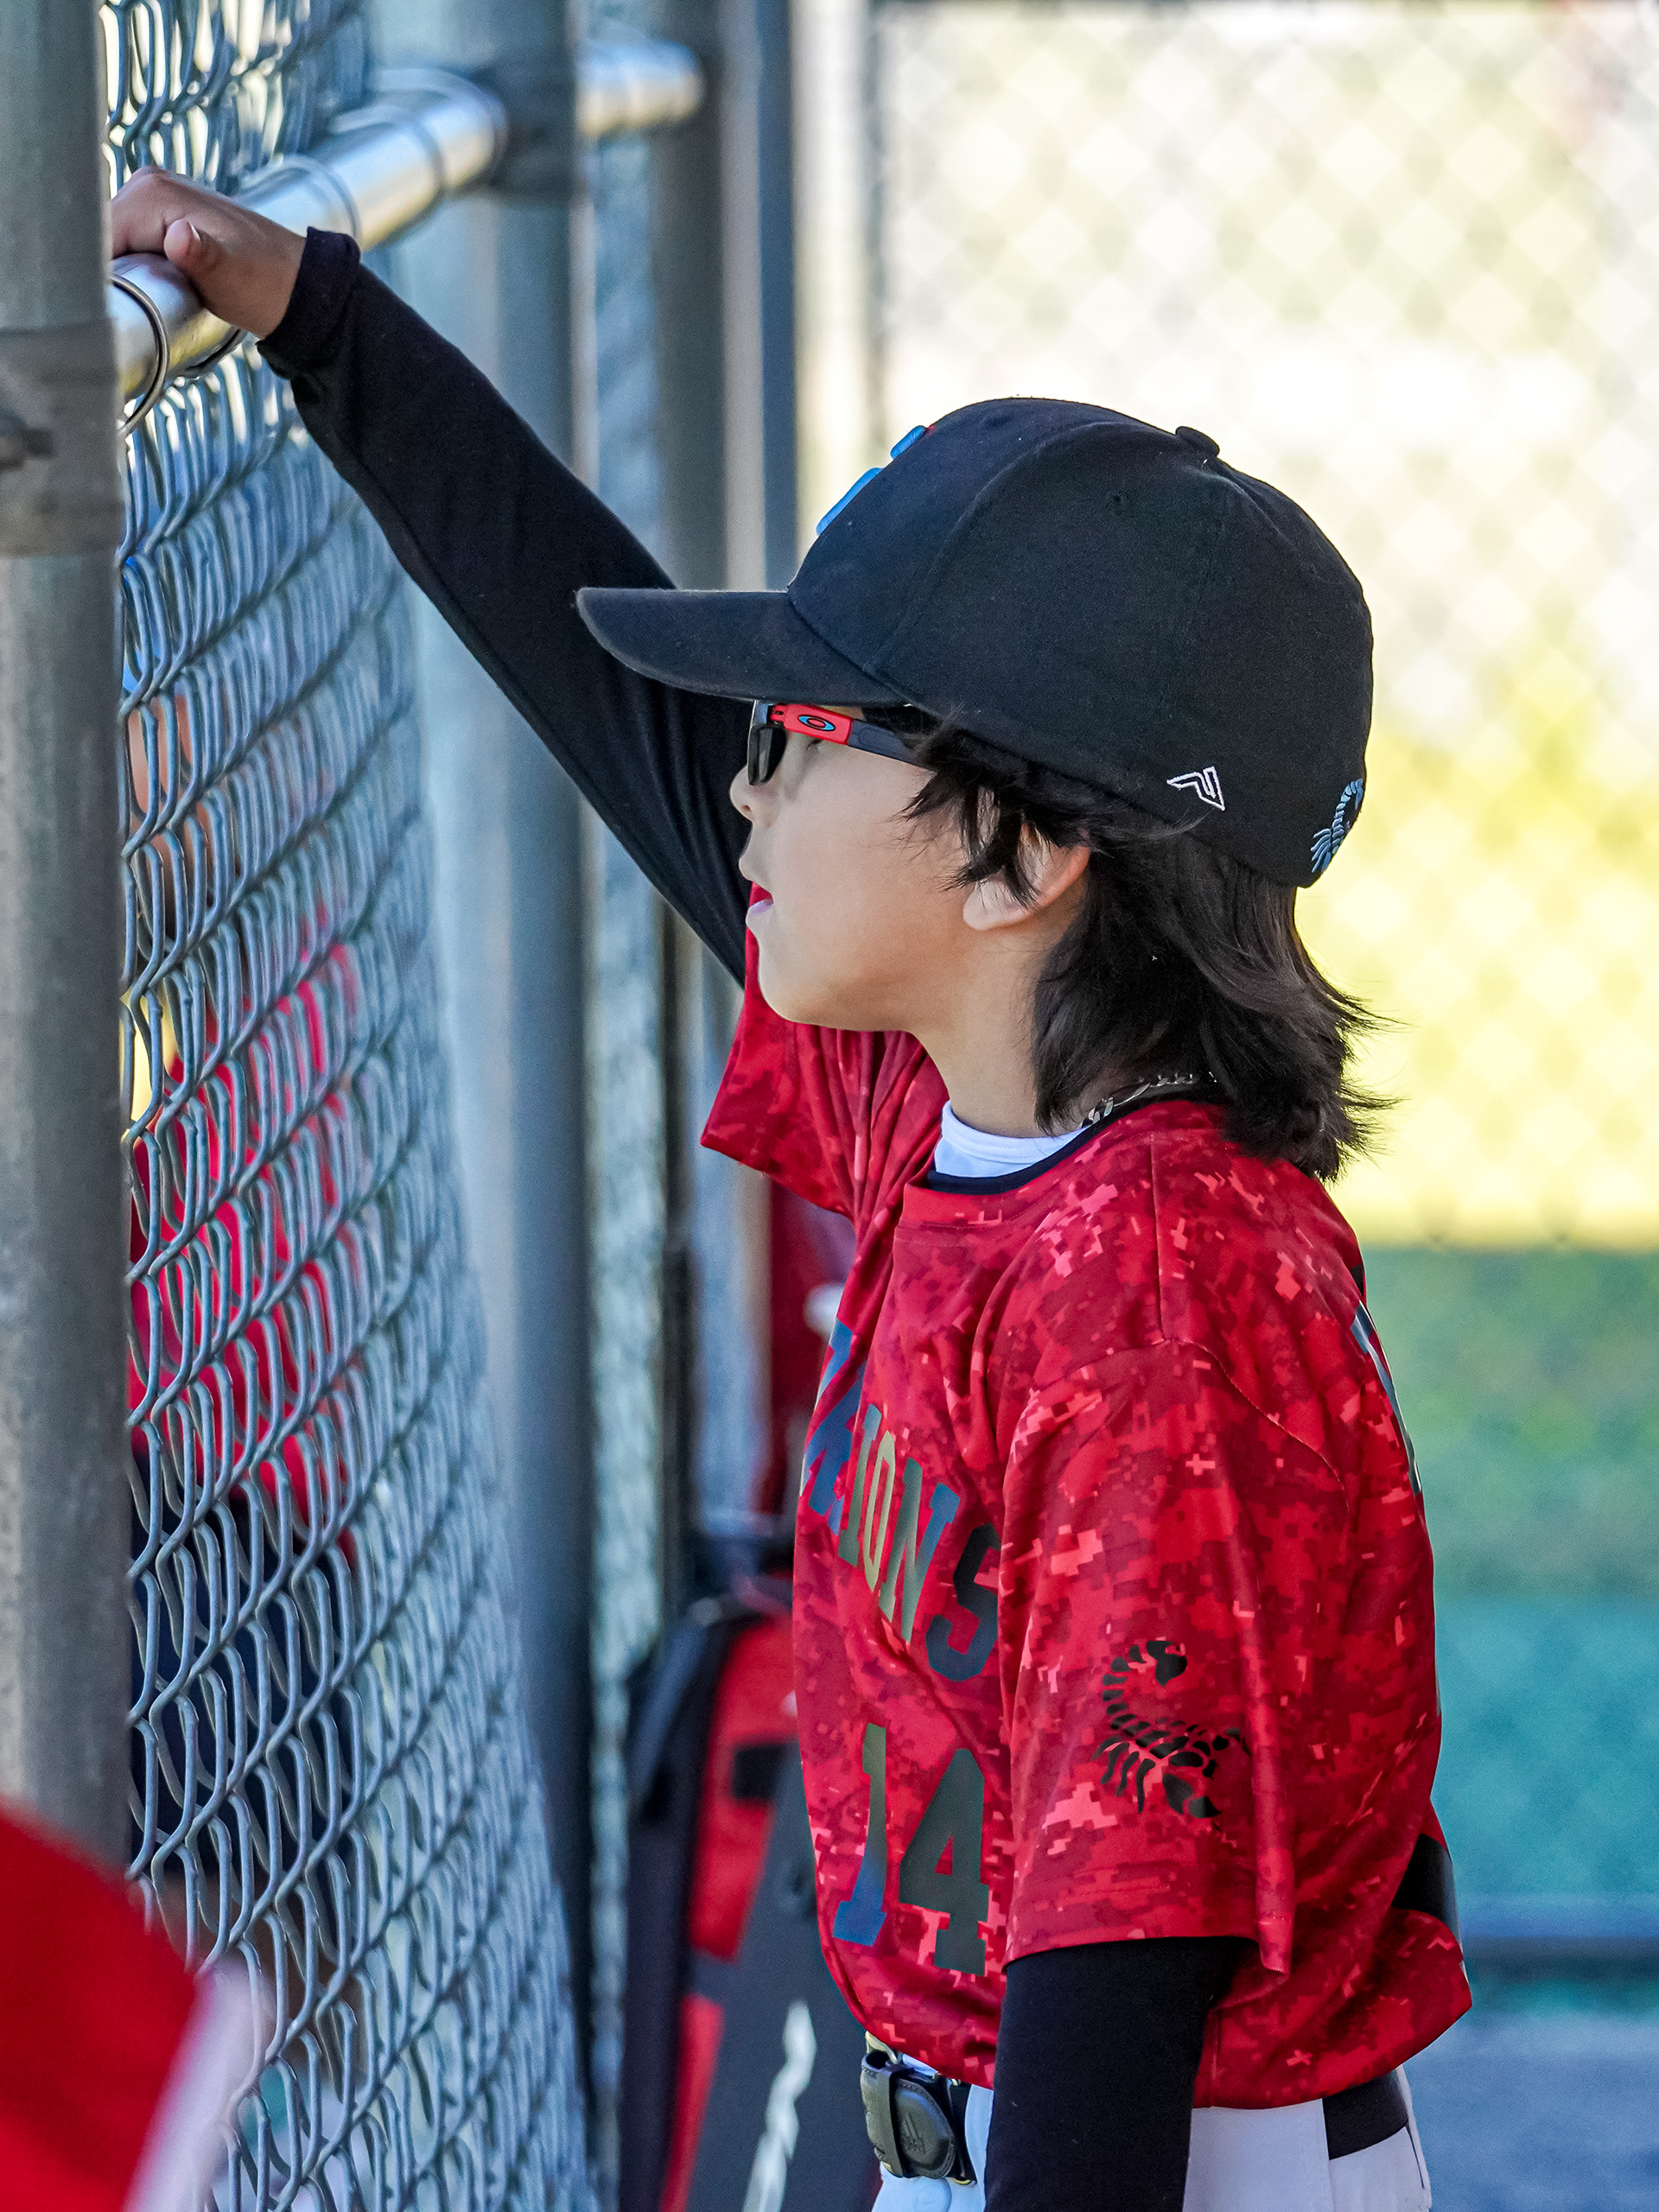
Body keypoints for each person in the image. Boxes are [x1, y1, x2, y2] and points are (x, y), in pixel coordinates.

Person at [107, 173, 1471, 2212]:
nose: (749, 779)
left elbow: (1128, 1954)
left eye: (811, 733)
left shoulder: (1155, 1291)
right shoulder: (957, 1096)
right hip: (1000, 2125)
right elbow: (640, 746)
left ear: (1027, 855)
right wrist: (328, 330)